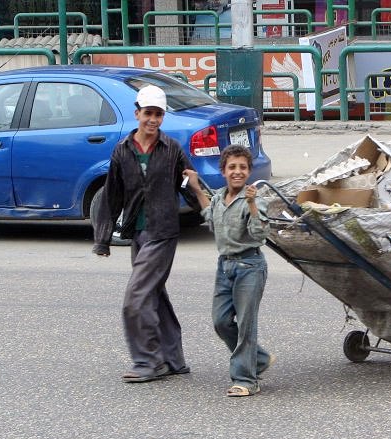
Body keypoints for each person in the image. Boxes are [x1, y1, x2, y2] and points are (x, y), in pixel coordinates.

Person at [92, 84, 197, 383]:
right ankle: (173, 359)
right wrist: (102, 238)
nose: (153, 120)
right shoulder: (122, 150)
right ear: (137, 113)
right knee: (153, 294)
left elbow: (190, 185)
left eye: (158, 115)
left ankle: (149, 362)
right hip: (137, 233)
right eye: (148, 113)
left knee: (135, 298)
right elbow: (112, 194)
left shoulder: (172, 148)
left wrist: (216, 215)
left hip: (163, 232)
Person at [184, 144, 275, 397]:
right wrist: (194, 186)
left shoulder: (253, 199)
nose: (237, 172)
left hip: (250, 267)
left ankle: (246, 379)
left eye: (243, 167)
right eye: (232, 167)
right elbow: (209, 215)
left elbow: (260, 234)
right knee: (221, 321)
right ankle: (258, 358)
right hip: (225, 267)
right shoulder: (219, 199)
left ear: (249, 171)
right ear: (223, 171)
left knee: (246, 324)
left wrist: (252, 204)